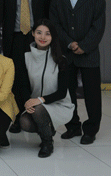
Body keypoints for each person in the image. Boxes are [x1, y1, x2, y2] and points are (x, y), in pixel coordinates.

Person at [50, 0, 106, 145]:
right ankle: (73, 126)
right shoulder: (57, 1)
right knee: (67, 93)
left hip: (89, 54)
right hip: (67, 54)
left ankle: (91, 130)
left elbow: (98, 27)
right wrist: (69, 43)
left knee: (92, 94)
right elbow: (55, 25)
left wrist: (84, 45)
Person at [0, 0, 53, 133]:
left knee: (37, 78)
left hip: (37, 39)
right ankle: (17, 117)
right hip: (14, 38)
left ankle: (41, 116)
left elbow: (50, 16)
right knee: (16, 78)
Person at [19, 19, 75, 158]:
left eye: (47, 34)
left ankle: (47, 142)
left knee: (38, 110)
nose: (42, 37)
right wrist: (27, 101)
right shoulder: (26, 58)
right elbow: (23, 85)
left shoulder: (61, 59)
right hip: (37, 103)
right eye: (39, 32)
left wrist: (39, 100)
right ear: (33, 33)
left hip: (58, 104)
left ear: (52, 36)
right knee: (24, 122)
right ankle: (48, 129)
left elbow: (62, 93)